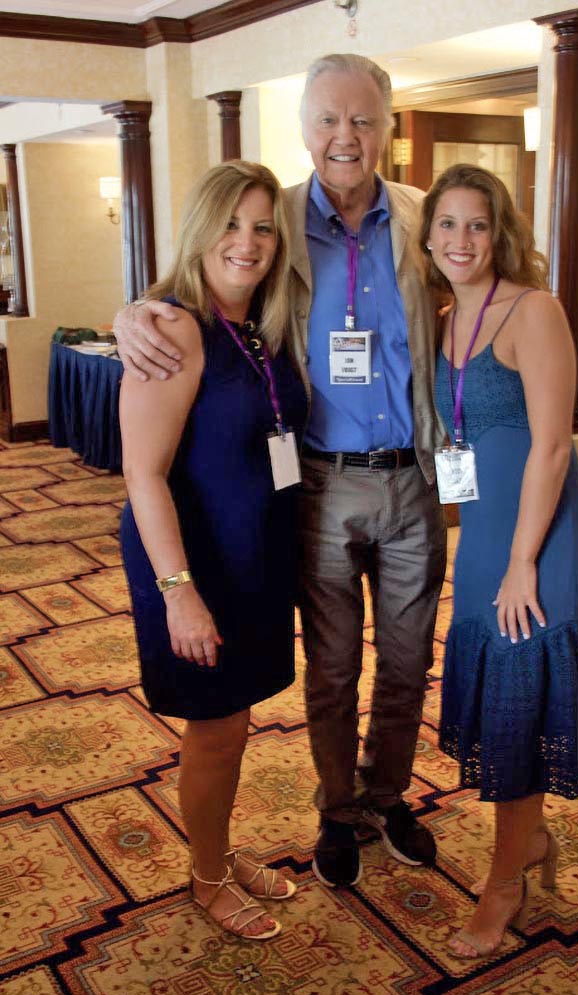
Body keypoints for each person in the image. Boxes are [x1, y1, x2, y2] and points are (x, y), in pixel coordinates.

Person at [114, 53, 446, 890]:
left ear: (389, 126)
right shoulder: (281, 220)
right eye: (327, 119)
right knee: (331, 668)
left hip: (407, 479)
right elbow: (198, 282)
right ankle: (336, 809)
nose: (345, 136)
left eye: (363, 119)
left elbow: (490, 283)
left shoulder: (423, 217)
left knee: (408, 663)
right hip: (320, 484)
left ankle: (386, 795)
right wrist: (132, 312)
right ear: (303, 128)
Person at [418, 163, 578, 958]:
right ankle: (527, 842)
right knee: (504, 704)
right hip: (485, 538)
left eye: (477, 224)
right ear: (428, 237)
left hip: (543, 541)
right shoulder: (443, 318)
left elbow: (554, 446)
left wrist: (522, 561)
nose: (461, 240)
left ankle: (503, 884)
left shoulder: (533, 310)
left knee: (518, 706)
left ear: (500, 233)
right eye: (447, 224)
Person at [120, 161, 307, 941]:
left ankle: (220, 853)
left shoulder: (258, 326)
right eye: (231, 224)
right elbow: (143, 473)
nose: (247, 242)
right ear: (200, 229)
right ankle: (207, 878)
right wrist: (179, 591)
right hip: (194, 563)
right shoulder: (172, 326)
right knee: (215, 727)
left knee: (234, 724)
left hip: (253, 557)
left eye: (263, 227)